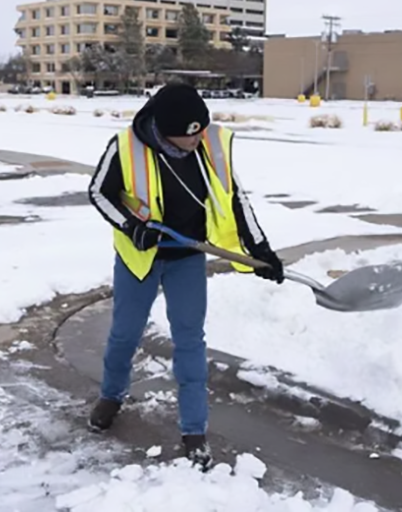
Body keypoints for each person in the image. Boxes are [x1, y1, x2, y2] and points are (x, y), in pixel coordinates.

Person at [87, 83, 284, 471]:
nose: (196, 139)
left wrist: (261, 250)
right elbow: (98, 192)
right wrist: (132, 227)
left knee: (190, 341)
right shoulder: (125, 147)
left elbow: (235, 199)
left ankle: (194, 431)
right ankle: (111, 396)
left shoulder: (210, 145)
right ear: (163, 128)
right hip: (139, 259)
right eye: (188, 132)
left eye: (200, 130)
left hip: (188, 256)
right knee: (125, 333)